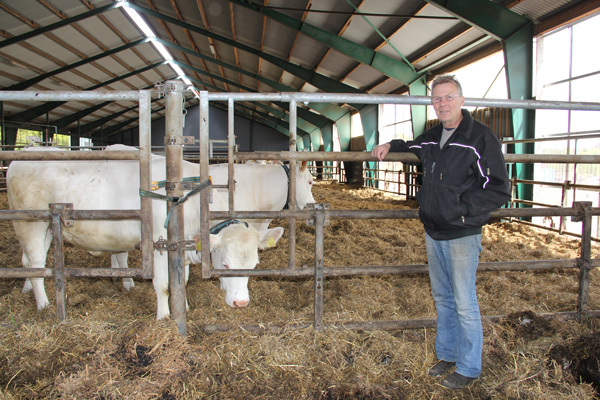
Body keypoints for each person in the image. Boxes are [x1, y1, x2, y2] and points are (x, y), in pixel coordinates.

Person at [371, 75, 511, 390]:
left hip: (462, 233)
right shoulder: (434, 136)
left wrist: (461, 208)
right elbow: (409, 146)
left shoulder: (479, 137)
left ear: (461, 100)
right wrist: (388, 145)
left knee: (464, 301)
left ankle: (470, 367)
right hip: (433, 231)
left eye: (448, 97)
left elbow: (499, 188)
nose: (442, 104)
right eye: (437, 99)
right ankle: (447, 354)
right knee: (443, 298)